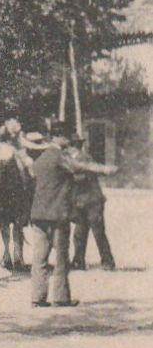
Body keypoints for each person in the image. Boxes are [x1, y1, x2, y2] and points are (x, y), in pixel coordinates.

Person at [29, 131, 114, 307]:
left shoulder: (40, 159)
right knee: (61, 257)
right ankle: (61, 298)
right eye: (66, 137)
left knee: (39, 258)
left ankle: (38, 298)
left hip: (38, 215)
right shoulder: (59, 157)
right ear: (57, 137)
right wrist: (104, 169)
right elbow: (78, 167)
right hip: (57, 214)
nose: (68, 141)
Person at [70, 142, 116, 272]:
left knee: (98, 232)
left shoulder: (84, 158)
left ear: (74, 147)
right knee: (79, 232)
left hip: (92, 202)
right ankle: (78, 261)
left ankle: (107, 261)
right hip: (81, 202)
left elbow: (81, 176)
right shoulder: (73, 159)